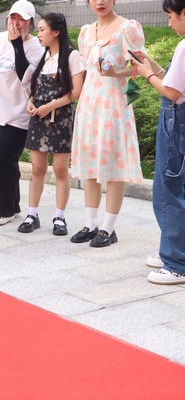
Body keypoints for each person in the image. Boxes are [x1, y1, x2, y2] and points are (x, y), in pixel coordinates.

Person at [69, 0, 145, 247]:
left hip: (114, 104)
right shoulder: (85, 32)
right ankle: (91, 224)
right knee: (90, 163)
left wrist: (115, 72)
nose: (100, 2)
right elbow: (85, 68)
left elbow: (140, 66)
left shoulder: (128, 28)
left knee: (113, 165)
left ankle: (108, 228)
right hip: (90, 104)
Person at [0, 0, 44, 225]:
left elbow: (27, 77)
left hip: (17, 114)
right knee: (5, 161)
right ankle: (13, 205)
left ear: (31, 23)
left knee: (1, 159)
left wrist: (17, 45)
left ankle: (0, 211)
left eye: (22, 19)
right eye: (13, 17)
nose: (16, 23)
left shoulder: (36, 47)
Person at [132, 0, 185, 284]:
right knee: (176, 186)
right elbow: (174, 82)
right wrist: (150, 64)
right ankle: (173, 251)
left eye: (171, 16)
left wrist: (147, 74)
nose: (169, 23)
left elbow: (172, 92)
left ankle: (176, 263)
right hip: (178, 120)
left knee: (169, 189)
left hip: (176, 122)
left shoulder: (184, 46)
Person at [19, 13, 85, 235]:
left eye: (41, 30)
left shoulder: (72, 56)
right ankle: (32, 214)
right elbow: (35, 89)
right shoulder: (44, 56)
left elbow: (76, 91)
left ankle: (60, 217)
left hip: (61, 119)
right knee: (37, 168)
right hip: (39, 118)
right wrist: (30, 102)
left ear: (56, 32)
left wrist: (50, 106)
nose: (38, 34)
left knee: (60, 170)